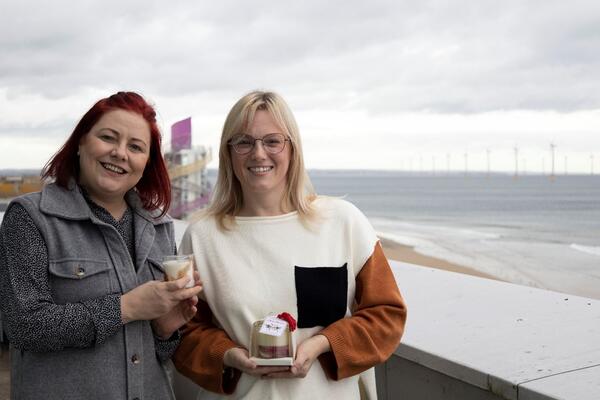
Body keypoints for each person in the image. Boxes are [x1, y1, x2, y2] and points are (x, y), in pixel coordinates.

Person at [172, 91, 407, 399]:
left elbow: (387, 316)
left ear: (293, 150)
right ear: (228, 154)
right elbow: (183, 333)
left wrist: (321, 344)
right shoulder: (202, 236)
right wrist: (228, 354)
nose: (258, 153)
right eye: (244, 142)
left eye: (272, 141)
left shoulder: (342, 222)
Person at [0, 91, 202, 399]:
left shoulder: (160, 227)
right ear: (81, 142)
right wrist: (128, 307)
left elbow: (160, 354)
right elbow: (25, 326)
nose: (120, 153)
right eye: (108, 137)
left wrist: (165, 330)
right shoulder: (30, 218)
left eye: (136, 147)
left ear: (147, 162)